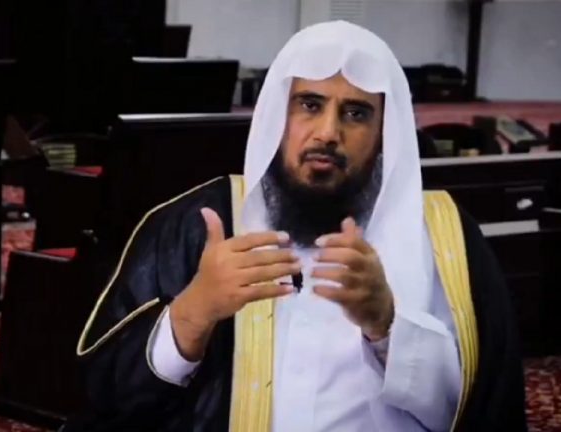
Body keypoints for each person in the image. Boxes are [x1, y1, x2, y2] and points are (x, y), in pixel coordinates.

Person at [66, 21, 526, 432]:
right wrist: (194, 312)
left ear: (385, 132)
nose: (327, 132)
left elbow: (479, 407)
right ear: (277, 115)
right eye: (309, 104)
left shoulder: (444, 239)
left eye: (356, 113)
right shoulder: (197, 224)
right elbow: (104, 397)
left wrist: (386, 325)